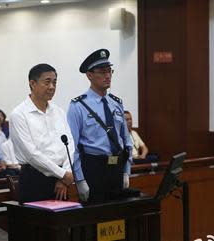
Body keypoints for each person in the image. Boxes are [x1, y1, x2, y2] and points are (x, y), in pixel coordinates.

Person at [67, 49, 133, 203]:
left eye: (110, 71)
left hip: (116, 168)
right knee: (96, 219)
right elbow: (73, 147)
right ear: (89, 75)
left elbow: (126, 140)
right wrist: (80, 180)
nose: (108, 76)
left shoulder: (116, 103)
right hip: (94, 169)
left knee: (117, 218)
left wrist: (126, 171)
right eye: (102, 72)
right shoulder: (78, 106)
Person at [10, 63, 75, 203]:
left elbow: (70, 144)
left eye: (54, 82)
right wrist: (63, 174)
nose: (52, 87)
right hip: (34, 179)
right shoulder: (19, 114)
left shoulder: (59, 111)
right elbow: (32, 155)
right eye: (47, 82)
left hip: (62, 180)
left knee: (63, 222)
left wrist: (64, 177)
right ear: (32, 83)